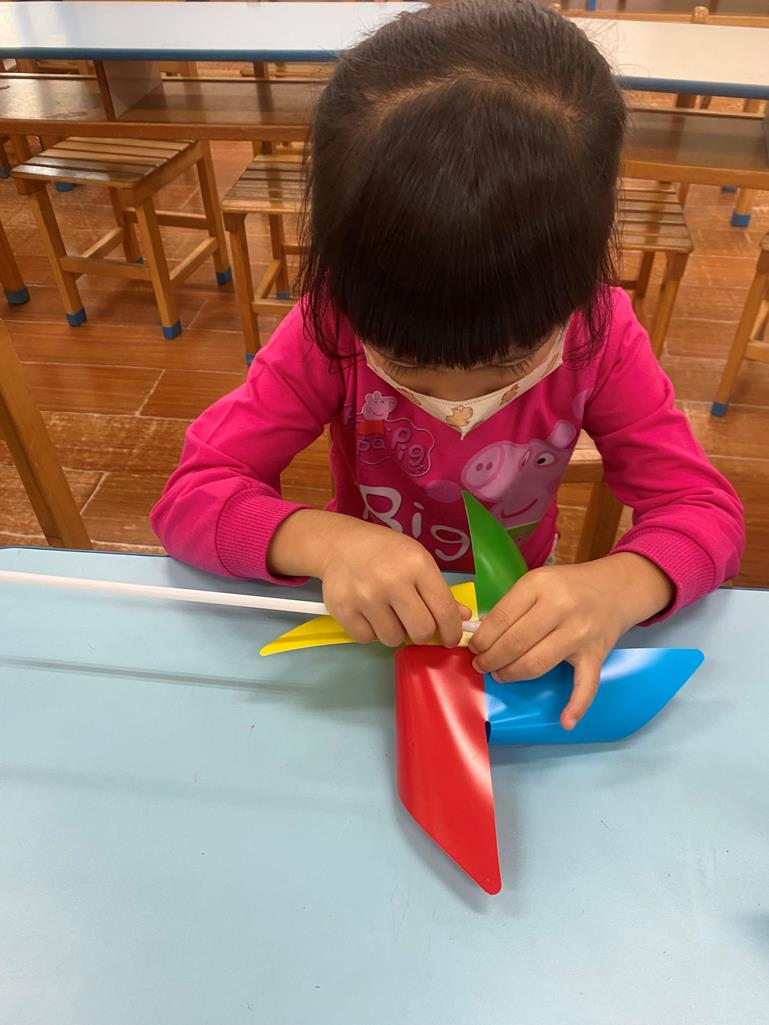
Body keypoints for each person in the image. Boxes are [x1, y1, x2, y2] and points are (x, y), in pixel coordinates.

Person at [152, 0, 744, 729]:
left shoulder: (600, 336)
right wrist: (327, 543)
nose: (455, 399)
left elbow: (703, 512)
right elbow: (190, 498)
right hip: (366, 611)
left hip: (517, 611)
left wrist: (621, 584)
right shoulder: (328, 326)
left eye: (509, 362)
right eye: (404, 363)